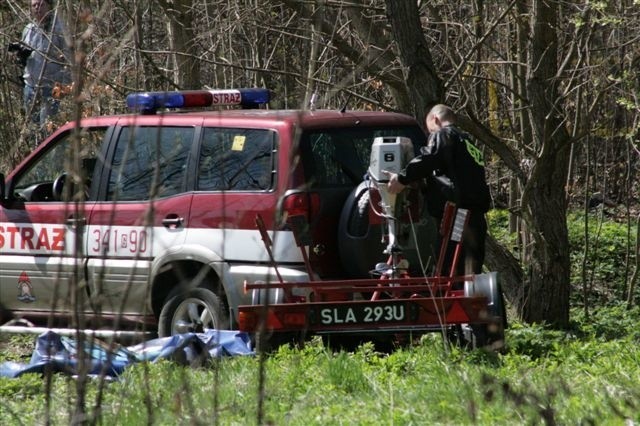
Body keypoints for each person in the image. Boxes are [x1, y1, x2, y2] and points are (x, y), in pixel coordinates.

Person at [385, 104, 491, 276]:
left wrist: (402, 178)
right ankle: (469, 298)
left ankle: (449, 301)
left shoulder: (444, 134)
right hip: (476, 215)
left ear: (435, 119)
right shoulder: (468, 142)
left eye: (430, 130)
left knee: (450, 264)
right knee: (470, 267)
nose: (430, 135)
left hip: (458, 214)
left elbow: (431, 157)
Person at [15, 0, 71, 127]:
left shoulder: (58, 28)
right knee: (32, 128)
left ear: (49, 6)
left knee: (47, 128)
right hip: (30, 86)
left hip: (51, 87)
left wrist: (64, 87)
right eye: (34, 5)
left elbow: (69, 59)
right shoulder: (29, 29)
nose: (37, 8)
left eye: (41, 4)